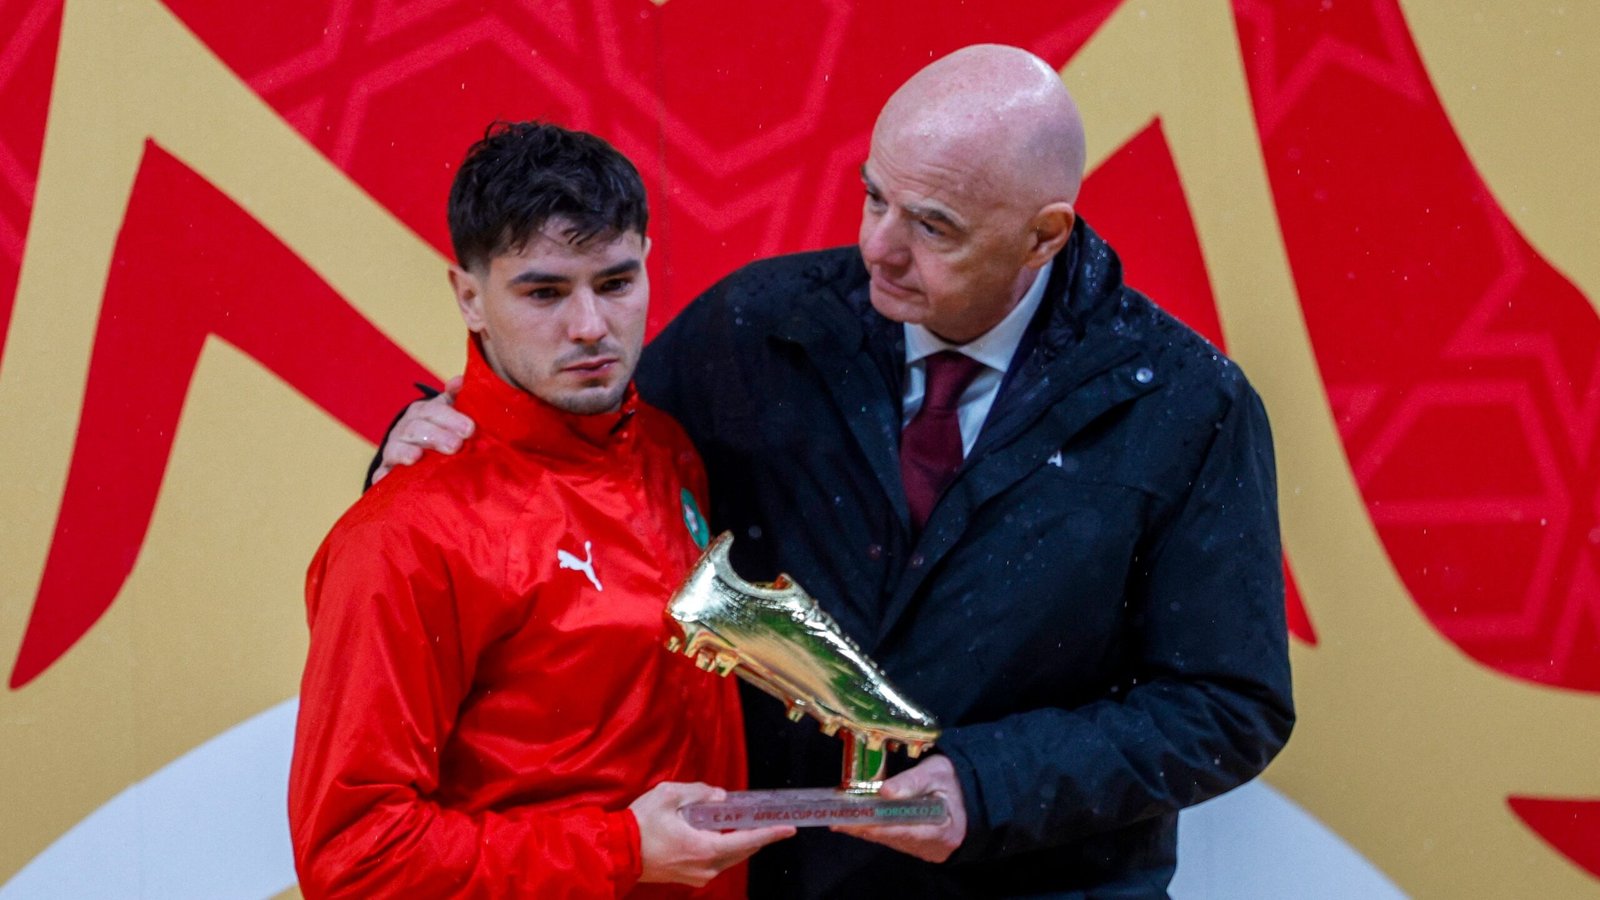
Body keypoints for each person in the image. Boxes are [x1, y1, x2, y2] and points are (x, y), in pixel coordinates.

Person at [375, 45, 1293, 898]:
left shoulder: (1186, 405)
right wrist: (420, 438)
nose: (879, 248)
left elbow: (1229, 704)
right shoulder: (756, 327)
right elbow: (580, 453)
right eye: (873, 197)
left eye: (933, 226)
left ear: (1044, 237)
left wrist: (991, 784)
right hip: (788, 884)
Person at [289, 122, 792, 898]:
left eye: (616, 283)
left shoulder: (666, 449)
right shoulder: (403, 537)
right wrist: (620, 850)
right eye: (545, 292)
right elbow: (355, 860)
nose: (590, 326)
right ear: (470, 297)